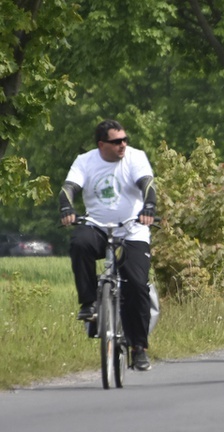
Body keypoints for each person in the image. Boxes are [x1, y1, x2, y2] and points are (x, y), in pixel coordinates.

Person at [59, 120, 157, 371]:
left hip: (132, 229)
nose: (123, 144)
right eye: (116, 141)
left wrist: (148, 207)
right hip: (98, 226)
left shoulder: (135, 157)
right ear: (102, 144)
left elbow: (147, 184)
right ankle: (89, 303)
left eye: (124, 139)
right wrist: (67, 207)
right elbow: (68, 188)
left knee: (136, 285)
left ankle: (139, 348)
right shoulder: (86, 161)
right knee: (79, 243)